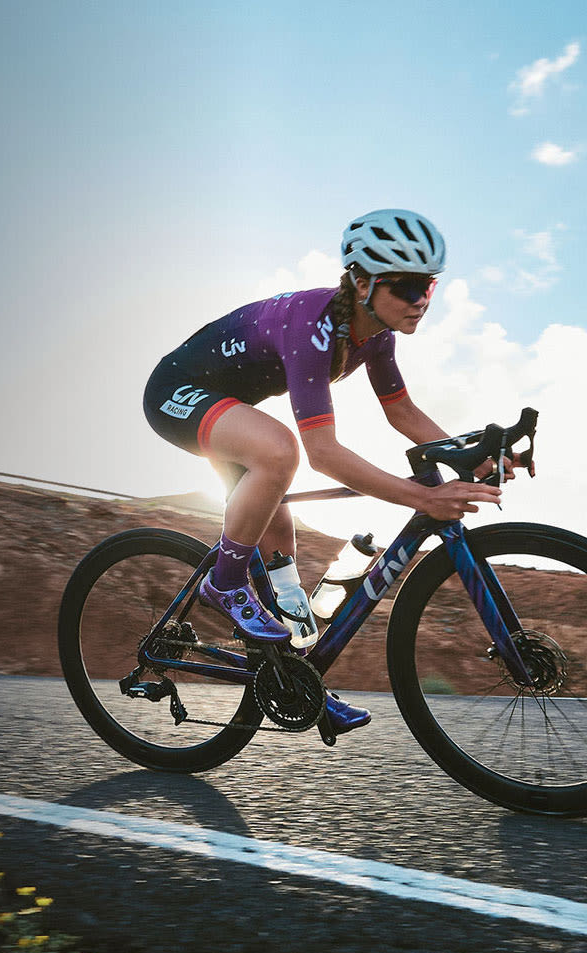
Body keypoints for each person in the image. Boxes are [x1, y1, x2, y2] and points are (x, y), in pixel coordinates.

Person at [142, 209, 508, 736]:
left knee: (280, 555)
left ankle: (299, 679)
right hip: (177, 391)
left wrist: (473, 457)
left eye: (428, 285)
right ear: (361, 282)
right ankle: (223, 585)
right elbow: (323, 453)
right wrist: (421, 498)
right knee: (280, 450)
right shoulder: (314, 328)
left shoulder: (378, 334)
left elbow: (402, 411)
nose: (421, 300)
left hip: (229, 406)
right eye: (405, 287)